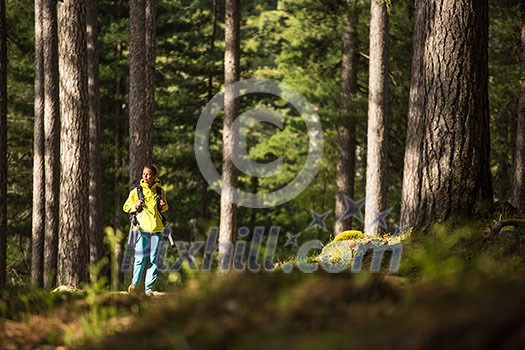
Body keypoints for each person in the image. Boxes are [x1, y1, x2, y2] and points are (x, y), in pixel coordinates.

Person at [123, 164, 169, 296]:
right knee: (140, 258)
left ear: (155, 176)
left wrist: (163, 205)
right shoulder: (136, 191)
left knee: (154, 259)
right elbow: (126, 207)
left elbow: (164, 209)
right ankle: (134, 285)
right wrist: (135, 205)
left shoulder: (160, 191)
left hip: (157, 229)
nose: (146, 177)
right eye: (144, 174)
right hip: (141, 229)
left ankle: (148, 289)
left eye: (149, 174)